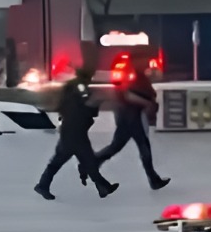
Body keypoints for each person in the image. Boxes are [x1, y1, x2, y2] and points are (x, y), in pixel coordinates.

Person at [81, 56, 170, 191]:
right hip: (132, 117)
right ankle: (153, 180)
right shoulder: (137, 78)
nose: (146, 64)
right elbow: (129, 95)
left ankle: (91, 163)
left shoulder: (137, 77)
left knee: (116, 146)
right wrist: (147, 103)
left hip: (127, 116)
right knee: (143, 146)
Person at [35, 69, 119, 199]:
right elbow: (86, 105)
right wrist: (96, 102)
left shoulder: (71, 88)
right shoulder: (79, 88)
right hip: (74, 132)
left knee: (86, 161)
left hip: (73, 130)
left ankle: (103, 187)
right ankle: (42, 186)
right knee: (61, 161)